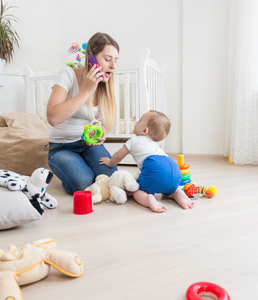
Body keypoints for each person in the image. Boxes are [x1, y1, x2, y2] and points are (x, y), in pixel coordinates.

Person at [46, 32, 119, 194]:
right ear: (90, 58)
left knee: (112, 178)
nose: (113, 66)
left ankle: (83, 165)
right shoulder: (68, 75)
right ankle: (71, 170)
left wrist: (104, 133)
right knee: (83, 183)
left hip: (88, 145)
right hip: (61, 147)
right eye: (108, 59)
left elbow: (109, 122)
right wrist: (86, 91)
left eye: (115, 60)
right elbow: (52, 118)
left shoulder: (108, 84)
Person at [99, 110, 194, 213]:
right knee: (169, 190)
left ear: (144, 131)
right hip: (174, 168)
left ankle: (148, 199)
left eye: (139, 121)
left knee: (137, 191)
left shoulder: (134, 140)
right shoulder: (155, 145)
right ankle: (177, 193)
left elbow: (117, 156)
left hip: (156, 167)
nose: (136, 122)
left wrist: (110, 162)